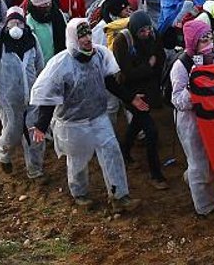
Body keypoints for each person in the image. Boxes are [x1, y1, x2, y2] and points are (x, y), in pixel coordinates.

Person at [29, 19, 140, 213]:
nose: (88, 39)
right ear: (73, 38)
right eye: (82, 36)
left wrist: (131, 98)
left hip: (98, 116)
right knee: (78, 159)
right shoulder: (60, 65)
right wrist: (41, 125)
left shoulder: (99, 55)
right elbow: (49, 98)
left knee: (112, 152)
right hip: (73, 122)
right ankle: (79, 193)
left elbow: (110, 83)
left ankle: (119, 196)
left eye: (89, 34)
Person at [0, 8, 46, 179]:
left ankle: (35, 170)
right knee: (12, 133)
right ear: (6, 25)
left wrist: (44, 92)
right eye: (12, 23)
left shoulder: (32, 41)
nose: (16, 26)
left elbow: (40, 67)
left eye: (19, 22)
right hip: (8, 100)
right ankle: (3, 153)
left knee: (35, 136)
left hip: (32, 98)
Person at [170, 15, 214, 217]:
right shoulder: (181, 66)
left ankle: (194, 180)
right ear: (193, 43)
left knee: (213, 158)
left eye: (210, 37)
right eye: (203, 40)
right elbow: (178, 100)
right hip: (191, 121)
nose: (209, 44)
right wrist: (193, 88)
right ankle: (204, 207)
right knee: (198, 162)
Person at [110, 11, 169, 190]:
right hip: (130, 93)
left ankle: (124, 151)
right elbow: (127, 73)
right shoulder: (122, 41)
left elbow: (160, 59)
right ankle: (156, 175)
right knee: (151, 131)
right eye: (142, 31)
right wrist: (148, 66)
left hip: (148, 89)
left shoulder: (153, 35)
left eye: (148, 29)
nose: (146, 34)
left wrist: (147, 69)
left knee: (137, 122)